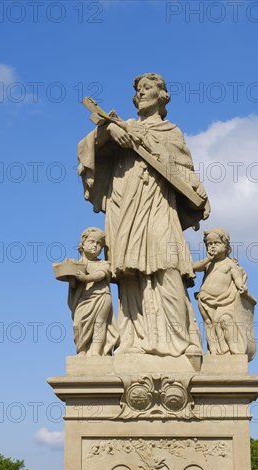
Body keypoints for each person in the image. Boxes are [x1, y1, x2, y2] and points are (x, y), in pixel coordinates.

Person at [77, 73, 210, 357]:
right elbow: (86, 148)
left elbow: (184, 169)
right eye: (138, 89)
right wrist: (109, 132)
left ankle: (183, 341)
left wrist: (200, 193)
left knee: (168, 265)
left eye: (147, 88)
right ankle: (134, 341)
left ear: (162, 95)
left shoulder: (171, 131)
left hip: (159, 203)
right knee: (130, 270)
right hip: (125, 205)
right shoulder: (124, 126)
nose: (141, 93)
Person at [193, 228, 251, 356]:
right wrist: (208, 259)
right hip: (205, 300)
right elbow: (194, 267)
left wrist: (241, 285)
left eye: (216, 243)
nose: (212, 246)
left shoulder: (230, 264)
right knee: (209, 324)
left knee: (225, 321)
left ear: (225, 245)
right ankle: (213, 350)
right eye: (209, 244)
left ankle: (232, 349)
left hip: (225, 300)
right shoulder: (208, 263)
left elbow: (237, 277)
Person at [67, 227, 119, 356]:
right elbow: (74, 288)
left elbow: (101, 275)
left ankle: (96, 351)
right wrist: (71, 280)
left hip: (101, 296)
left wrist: (86, 278)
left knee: (99, 323)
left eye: (99, 244)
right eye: (92, 242)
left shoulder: (104, 263)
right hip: (83, 299)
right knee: (78, 323)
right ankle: (81, 350)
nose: (95, 246)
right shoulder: (76, 265)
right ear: (83, 244)